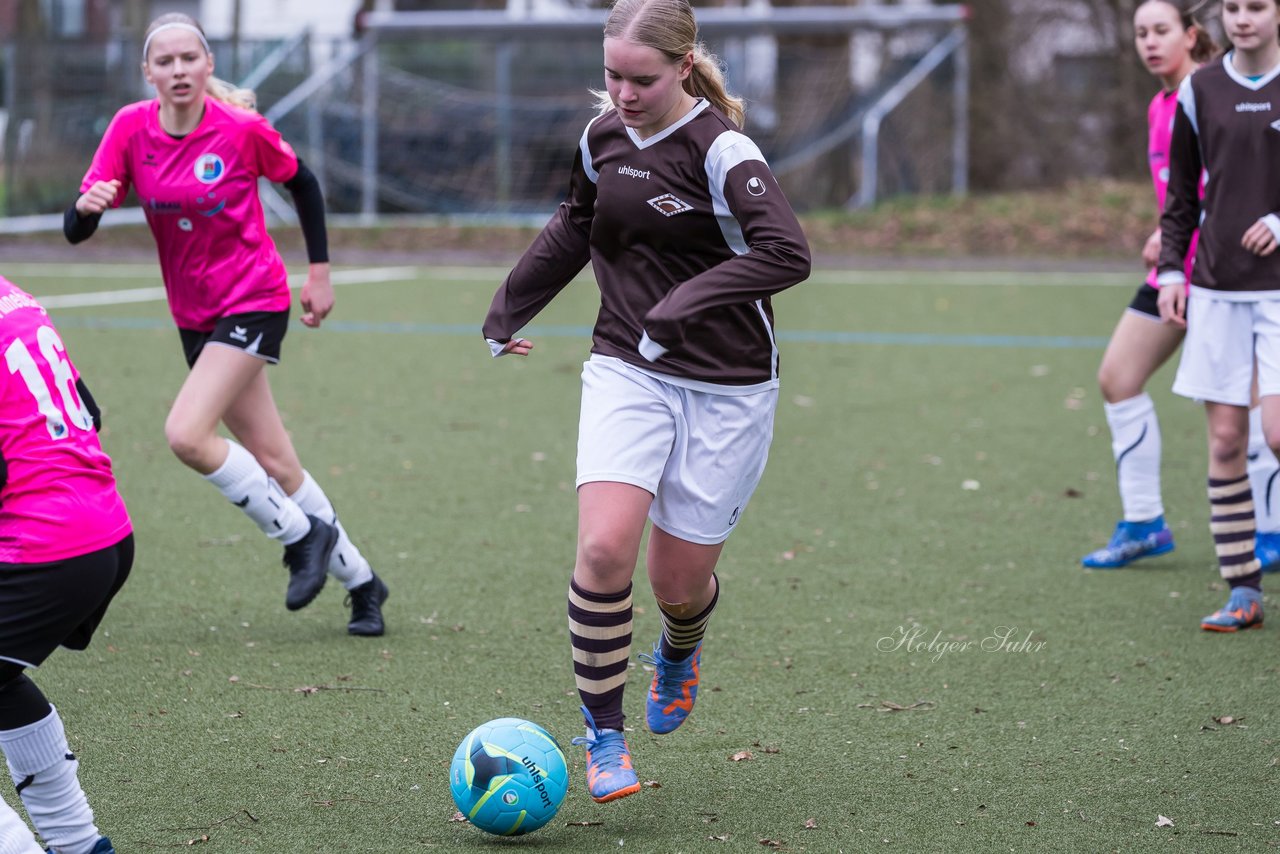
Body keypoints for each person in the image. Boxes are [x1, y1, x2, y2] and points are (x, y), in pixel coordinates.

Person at [482, 0, 810, 803]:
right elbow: (575, 225)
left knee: (678, 580)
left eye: (642, 79)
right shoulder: (601, 140)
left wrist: (687, 302)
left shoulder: (723, 150)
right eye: (612, 77)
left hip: (729, 386)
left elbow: (788, 252)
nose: (624, 95)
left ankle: (679, 645)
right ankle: (603, 734)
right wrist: (508, 306)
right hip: (627, 366)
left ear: (685, 62)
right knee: (602, 551)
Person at [63, 13, 388, 636]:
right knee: (275, 460)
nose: (179, 70)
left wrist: (318, 273)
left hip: (254, 299)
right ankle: (365, 584)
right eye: (166, 61)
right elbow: (77, 229)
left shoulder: (241, 130)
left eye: (190, 58)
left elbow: (306, 185)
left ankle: (300, 536)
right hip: (195, 317)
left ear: (208, 66)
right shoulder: (131, 129)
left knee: (187, 433)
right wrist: (85, 209)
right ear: (148, 73)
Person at [1083, 0, 1280, 571]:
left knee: (1254, 419)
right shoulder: (1162, 103)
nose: (1149, 42)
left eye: (1161, 30)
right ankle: (1145, 520)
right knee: (1119, 379)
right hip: (1178, 269)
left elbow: (1234, 189)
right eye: (1140, 32)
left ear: (1192, 35)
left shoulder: (1214, 91)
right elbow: (1183, 195)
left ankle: (1267, 532)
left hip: (1225, 272)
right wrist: (1168, 252)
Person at [1157, 0, 1280, 630]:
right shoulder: (1199, 89)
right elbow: (1182, 191)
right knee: (1227, 440)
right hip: (1216, 287)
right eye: (1233, 6)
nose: (1242, 18)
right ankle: (1243, 592)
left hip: (1279, 291)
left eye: (1256, 6)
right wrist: (1173, 269)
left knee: (1278, 433)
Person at [0, 274, 130, 854]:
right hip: (104, 531)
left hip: (46, 546)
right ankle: (79, 846)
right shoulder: (12, 293)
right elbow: (90, 411)